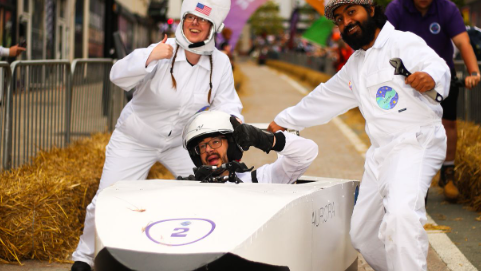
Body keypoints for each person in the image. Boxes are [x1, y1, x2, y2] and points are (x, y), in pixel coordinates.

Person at [268, 1, 450, 270]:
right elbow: (325, 97)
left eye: (351, 13)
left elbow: (438, 66)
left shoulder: (402, 42)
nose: (346, 22)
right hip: (380, 153)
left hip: (416, 142)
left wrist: (431, 78)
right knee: (363, 234)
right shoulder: (356, 64)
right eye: (340, 19)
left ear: (372, 10)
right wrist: (283, 121)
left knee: (401, 218)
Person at [70, 0, 243, 270]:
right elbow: (117, 75)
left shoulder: (220, 63)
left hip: (179, 144)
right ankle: (83, 257)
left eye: (202, 19)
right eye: (190, 17)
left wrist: (235, 126)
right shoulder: (164, 49)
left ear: (213, 28)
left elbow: (228, 104)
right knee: (106, 199)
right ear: (182, 19)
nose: (194, 23)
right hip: (135, 139)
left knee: (216, 187)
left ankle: (207, 254)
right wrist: (150, 57)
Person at [385, 0, 481, 201]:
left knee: (449, 124)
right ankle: (416, 177)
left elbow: (463, 42)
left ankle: (448, 174)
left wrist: (473, 72)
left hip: (441, 79)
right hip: (407, 80)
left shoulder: (447, 9)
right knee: (409, 127)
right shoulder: (396, 8)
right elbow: (383, 43)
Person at [182, 110, 318, 183]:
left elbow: (308, 151)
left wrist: (264, 139)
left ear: (231, 145)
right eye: (202, 146)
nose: (208, 149)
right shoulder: (186, 188)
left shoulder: (261, 179)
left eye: (215, 142)